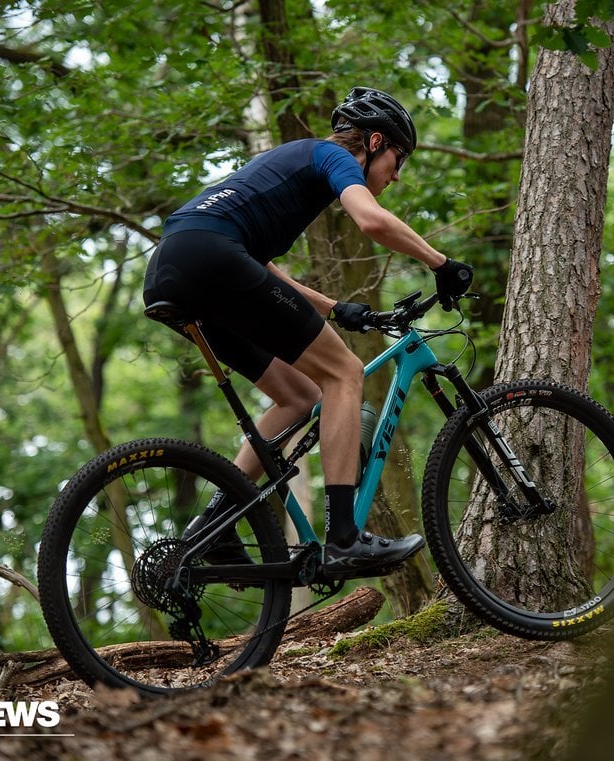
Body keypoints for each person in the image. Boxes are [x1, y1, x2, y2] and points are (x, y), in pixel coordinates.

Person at [143, 87, 474, 578]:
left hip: (175, 267)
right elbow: (370, 220)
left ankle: (211, 525)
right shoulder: (333, 155)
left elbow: (259, 267)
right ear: (376, 142)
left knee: (298, 397)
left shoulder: (287, 164)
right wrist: (440, 263)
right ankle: (344, 538)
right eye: (397, 160)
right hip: (213, 260)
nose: (396, 175)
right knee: (343, 372)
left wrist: (336, 308)